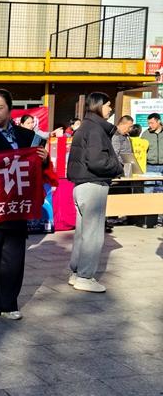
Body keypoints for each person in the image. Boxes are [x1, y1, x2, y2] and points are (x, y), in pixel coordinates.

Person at [0, 89, 49, 322]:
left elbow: (38, 169)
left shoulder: (27, 136)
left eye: (0, 107)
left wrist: (44, 159)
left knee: (13, 259)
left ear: (10, 110)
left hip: (17, 205)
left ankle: (8, 302)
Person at [66, 92, 123, 293]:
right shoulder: (96, 129)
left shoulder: (85, 127)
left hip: (82, 185)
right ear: (99, 105)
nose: (110, 109)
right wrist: (117, 167)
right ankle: (85, 276)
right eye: (108, 105)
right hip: (93, 184)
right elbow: (97, 161)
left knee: (83, 233)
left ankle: (77, 273)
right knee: (92, 235)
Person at [141, 112, 163, 193]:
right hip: (150, 167)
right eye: (148, 123)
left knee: (161, 191)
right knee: (148, 190)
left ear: (159, 121)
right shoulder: (145, 134)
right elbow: (141, 150)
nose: (150, 125)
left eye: (152, 123)